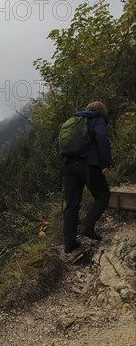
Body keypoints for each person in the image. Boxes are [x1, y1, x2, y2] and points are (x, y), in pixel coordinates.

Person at [63, 101, 111, 253]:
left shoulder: (73, 121)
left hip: (68, 166)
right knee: (103, 195)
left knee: (72, 204)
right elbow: (102, 139)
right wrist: (105, 163)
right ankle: (87, 226)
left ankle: (69, 243)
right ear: (101, 111)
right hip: (88, 164)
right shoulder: (97, 119)